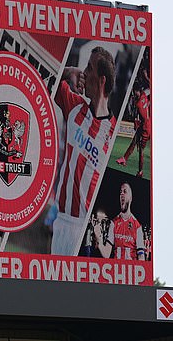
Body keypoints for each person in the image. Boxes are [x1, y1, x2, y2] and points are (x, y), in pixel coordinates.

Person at [50, 47, 118, 256]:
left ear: (102, 80)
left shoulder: (114, 133)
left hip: (85, 228)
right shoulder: (75, 107)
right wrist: (69, 70)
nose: (84, 73)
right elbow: (48, 75)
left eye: (89, 68)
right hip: (61, 221)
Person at [93, 182, 145, 260]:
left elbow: (141, 257)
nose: (122, 194)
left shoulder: (137, 227)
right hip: (117, 270)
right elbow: (106, 254)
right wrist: (99, 240)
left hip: (130, 270)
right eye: (120, 192)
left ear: (130, 198)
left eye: (125, 191)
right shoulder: (113, 223)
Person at [115, 83, 151, 178]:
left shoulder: (138, 104)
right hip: (146, 125)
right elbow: (149, 90)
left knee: (141, 151)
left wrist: (137, 124)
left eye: (134, 91)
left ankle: (140, 171)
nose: (134, 93)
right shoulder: (143, 94)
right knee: (134, 142)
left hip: (145, 129)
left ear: (136, 91)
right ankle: (124, 158)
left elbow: (142, 118)